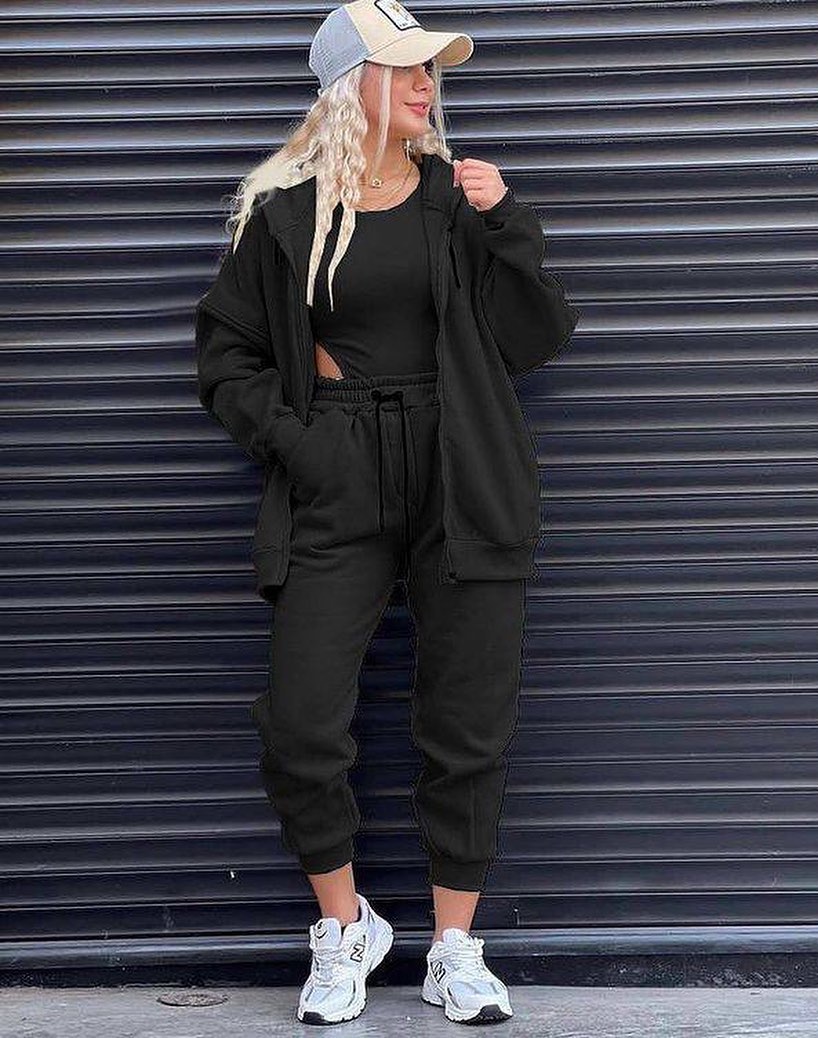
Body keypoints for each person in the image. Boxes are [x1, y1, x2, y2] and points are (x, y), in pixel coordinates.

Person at [194, 0, 579, 1026]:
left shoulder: (459, 198)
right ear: (346, 85)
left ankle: (454, 947)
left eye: (429, 70)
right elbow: (226, 358)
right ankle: (344, 925)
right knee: (300, 724)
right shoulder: (284, 215)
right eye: (403, 67)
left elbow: (537, 337)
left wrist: (507, 225)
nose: (424, 85)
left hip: (464, 473)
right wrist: (308, 444)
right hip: (340, 476)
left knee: (467, 723)